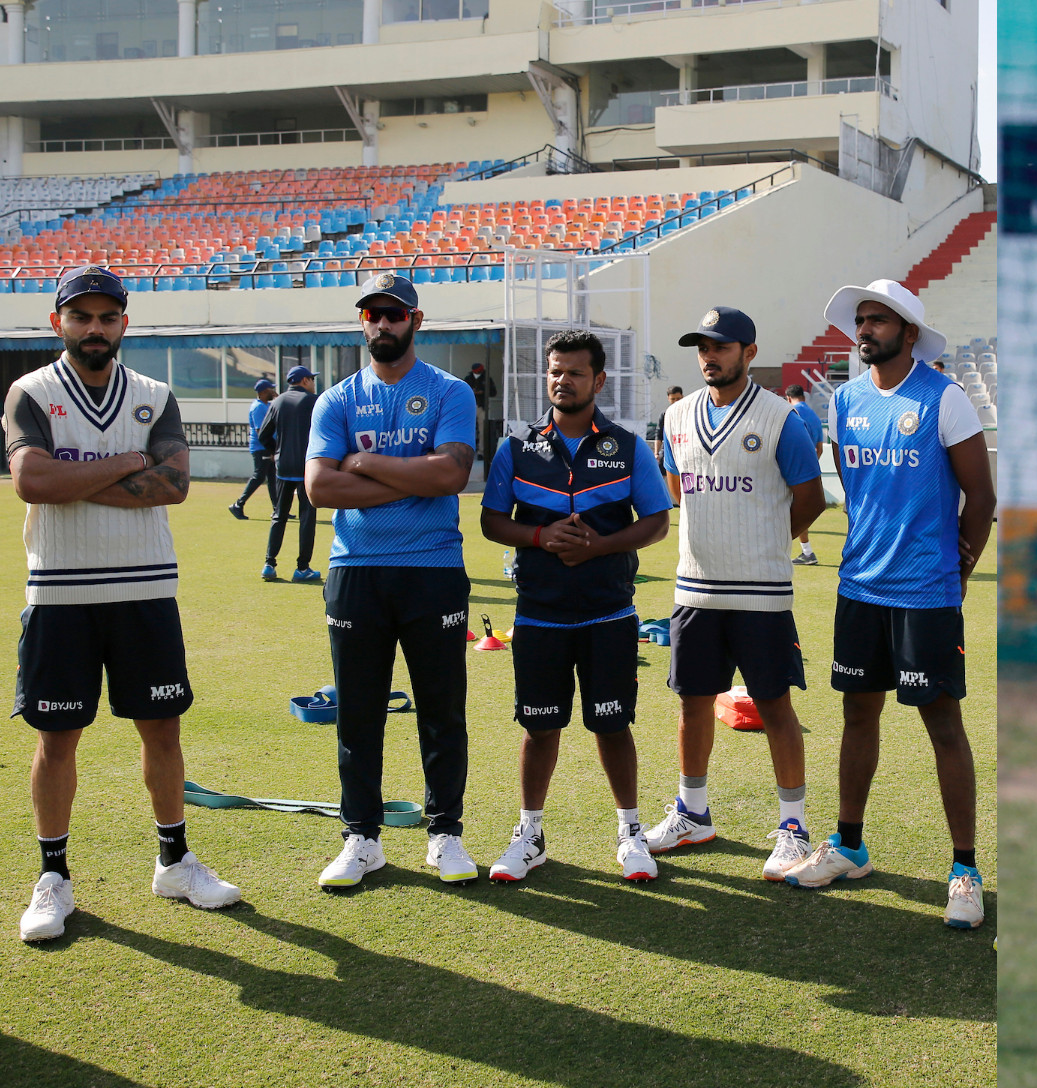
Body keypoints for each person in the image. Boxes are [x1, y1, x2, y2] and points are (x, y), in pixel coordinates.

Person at [7, 265, 241, 942]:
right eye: (80, 316)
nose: (94, 329)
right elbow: (30, 480)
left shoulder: (154, 394)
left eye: (107, 317)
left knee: (162, 730)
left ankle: (174, 860)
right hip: (60, 591)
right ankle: (53, 877)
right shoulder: (31, 391)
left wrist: (72, 477)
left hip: (145, 588)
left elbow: (172, 485)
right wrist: (122, 462)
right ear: (58, 322)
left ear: (123, 325)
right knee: (58, 739)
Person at [783, 279, 996, 931]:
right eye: (861, 319)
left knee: (942, 724)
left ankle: (964, 870)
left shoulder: (944, 397)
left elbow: (980, 498)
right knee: (856, 714)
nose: (865, 329)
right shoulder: (843, 401)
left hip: (924, 593)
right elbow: (855, 487)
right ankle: (848, 845)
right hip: (859, 589)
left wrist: (956, 572)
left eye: (879, 320)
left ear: (909, 333)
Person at [479, 330, 673, 883]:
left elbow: (656, 522)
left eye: (575, 373)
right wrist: (542, 540)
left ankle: (631, 832)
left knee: (612, 727)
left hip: (610, 612)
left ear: (599, 380)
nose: (563, 381)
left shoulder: (629, 446)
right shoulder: (517, 447)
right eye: (556, 371)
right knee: (540, 728)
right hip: (539, 614)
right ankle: (530, 834)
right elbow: (493, 521)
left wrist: (599, 546)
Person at [305, 272, 478, 890]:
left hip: (432, 568)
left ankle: (445, 833)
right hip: (356, 570)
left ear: (416, 320)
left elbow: (451, 475)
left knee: (441, 708)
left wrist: (366, 463)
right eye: (373, 314)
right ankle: (362, 838)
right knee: (358, 712)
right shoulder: (336, 399)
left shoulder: (449, 391)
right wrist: (412, 474)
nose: (383, 323)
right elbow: (320, 487)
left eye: (394, 314)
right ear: (362, 322)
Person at [648, 307, 827, 883]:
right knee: (693, 702)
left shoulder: (780, 417)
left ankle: (793, 827)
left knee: (774, 705)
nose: (710, 355)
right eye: (702, 345)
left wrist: (764, 542)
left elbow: (810, 498)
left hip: (762, 589)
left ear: (749, 352)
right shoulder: (675, 415)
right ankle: (691, 812)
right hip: (695, 586)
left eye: (721, 346)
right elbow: (678, 488)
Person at [257, 365, 320, 582]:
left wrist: (277, 449)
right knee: (307, 517)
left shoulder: (277, 402)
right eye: (312, 378)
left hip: (283, 467)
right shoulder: (314, 401)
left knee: (279, 516)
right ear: (304, 380)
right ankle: (302, 568)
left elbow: (263, 435)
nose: (313, 382)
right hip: (307, 467)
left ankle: (269, 564)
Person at [783, 383, 825, 565]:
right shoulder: (814, 415)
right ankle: (806, 552)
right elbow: (819, 448)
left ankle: (805, 552)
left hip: (791, 470)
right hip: (809, 470)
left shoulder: (791, 413)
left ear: (788, 398)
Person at [228, 378, 278, 520]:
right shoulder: (258, 407)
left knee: (272, 478)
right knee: (259, 476)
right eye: (270, 389)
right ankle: (238, 504)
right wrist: (271, 449)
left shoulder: (265, 405)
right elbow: (260, 431)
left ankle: (278, 508)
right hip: (261, 447)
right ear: (263, 392)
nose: (273, 391)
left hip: (267, 446)